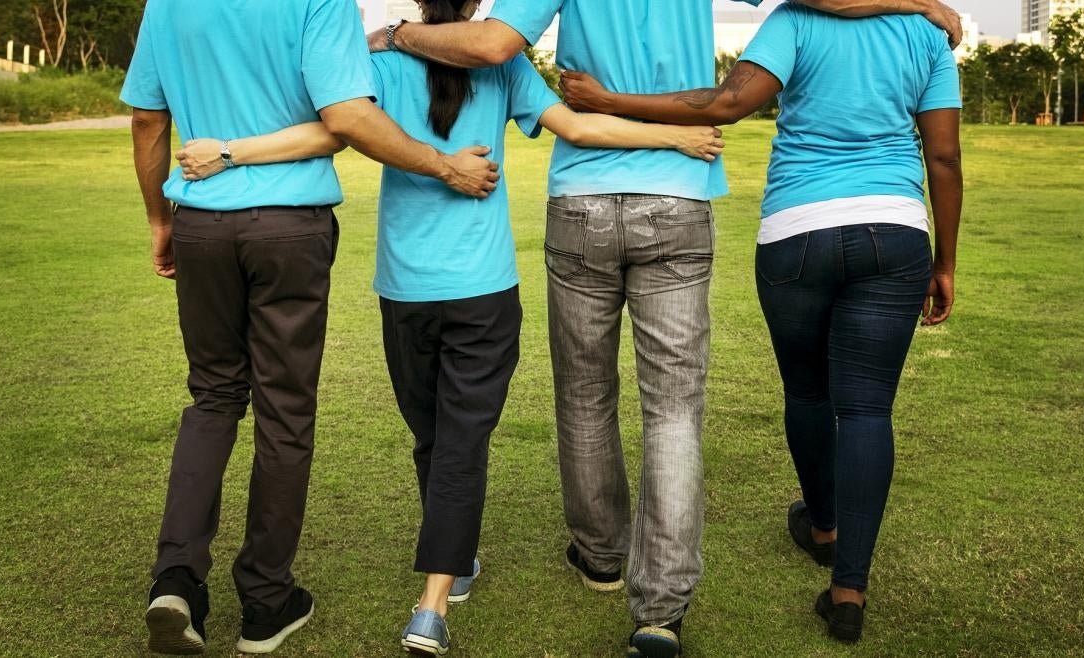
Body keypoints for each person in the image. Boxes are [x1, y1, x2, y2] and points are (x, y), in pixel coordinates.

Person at [367, 0, 962, 655]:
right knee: (674, 409)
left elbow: (490, 45)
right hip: (678, 196)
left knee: (585, 392)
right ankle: (661, 607)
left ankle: (600, 555)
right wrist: (919, 3)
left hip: (581, 200)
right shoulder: (885, 29)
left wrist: (399, 33)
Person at [172, 0, 722, 653]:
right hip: (483, 289)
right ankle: (442, 583)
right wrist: (677, 136)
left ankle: (444, 583)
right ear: (472, 12)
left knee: (434, 436)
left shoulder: (379, 60)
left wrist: (232, 146)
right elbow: (576, 126)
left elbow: (338, 123)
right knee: (456, 442)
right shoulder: (506, 65)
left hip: (406, 289)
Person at [561, 0, 962, 644]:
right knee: (866, 411)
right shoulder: (928, 35)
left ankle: (824, 526)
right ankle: (848, 590)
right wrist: (944, 261)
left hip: (797, 229)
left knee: (807, 390)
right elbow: (943, 157)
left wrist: (611, 99)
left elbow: (725, 104)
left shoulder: (795, 20)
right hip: (896, 229)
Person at [121, 0, 501, 654]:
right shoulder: (320, 2)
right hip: (289, 227)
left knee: (212, 398)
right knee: (284, 412)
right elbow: (346, 119)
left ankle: (177, 578)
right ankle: (267, 603)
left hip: (201, 224)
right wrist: (443, 166)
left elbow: (149, 120)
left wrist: (160, 219)